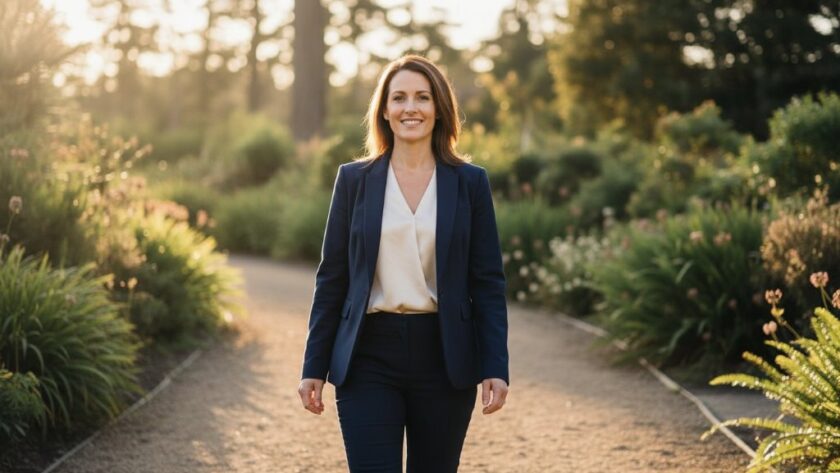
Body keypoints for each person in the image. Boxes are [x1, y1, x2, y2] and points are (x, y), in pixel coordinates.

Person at [298, 54, 509, 473]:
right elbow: (332, 279)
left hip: (445, 357)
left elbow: (487, 282)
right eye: (399, 98)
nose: (410, 107)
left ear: (439, 108)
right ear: (384, 110)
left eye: (422, 97)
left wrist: (495, 366)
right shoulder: (354, 181)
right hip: (367, 356)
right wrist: (313, 366)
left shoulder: (470, 183)